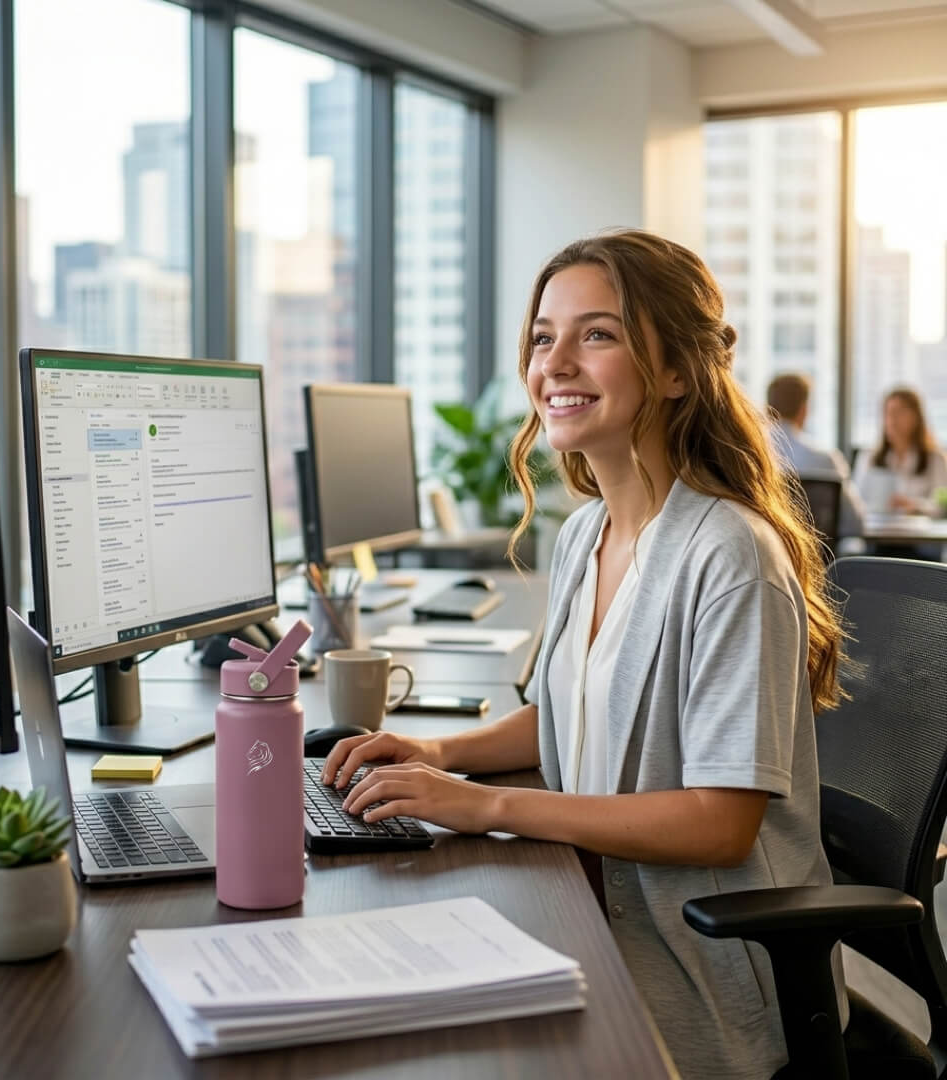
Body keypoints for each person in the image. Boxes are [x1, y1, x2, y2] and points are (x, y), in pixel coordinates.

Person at [322, 230, 847, 1080]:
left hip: (699, 964)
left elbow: (721, 821)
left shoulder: (728, 554)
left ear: (676, 370)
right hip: (592, 905)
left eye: (596, 334)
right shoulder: (588, 532)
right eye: (542, 336)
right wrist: (438, 752)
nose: (555, 362)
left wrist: (484, 806)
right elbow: (568, 709)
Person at [766, 372, 866, 538]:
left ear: (767, 408)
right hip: (817, 559)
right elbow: (855, 525)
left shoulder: (748, 457)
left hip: (765, 555)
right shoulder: (826, 459)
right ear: (804, 410)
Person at [853, 387, 947, 516]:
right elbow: (855, 503)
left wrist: (914, 506)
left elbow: (941, 505)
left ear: (916, 418)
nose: (892, 420)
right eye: (888, 413)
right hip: (876, 530)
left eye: (899, 413)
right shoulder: (869, 457)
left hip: (919, 532)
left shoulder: (935, 459)